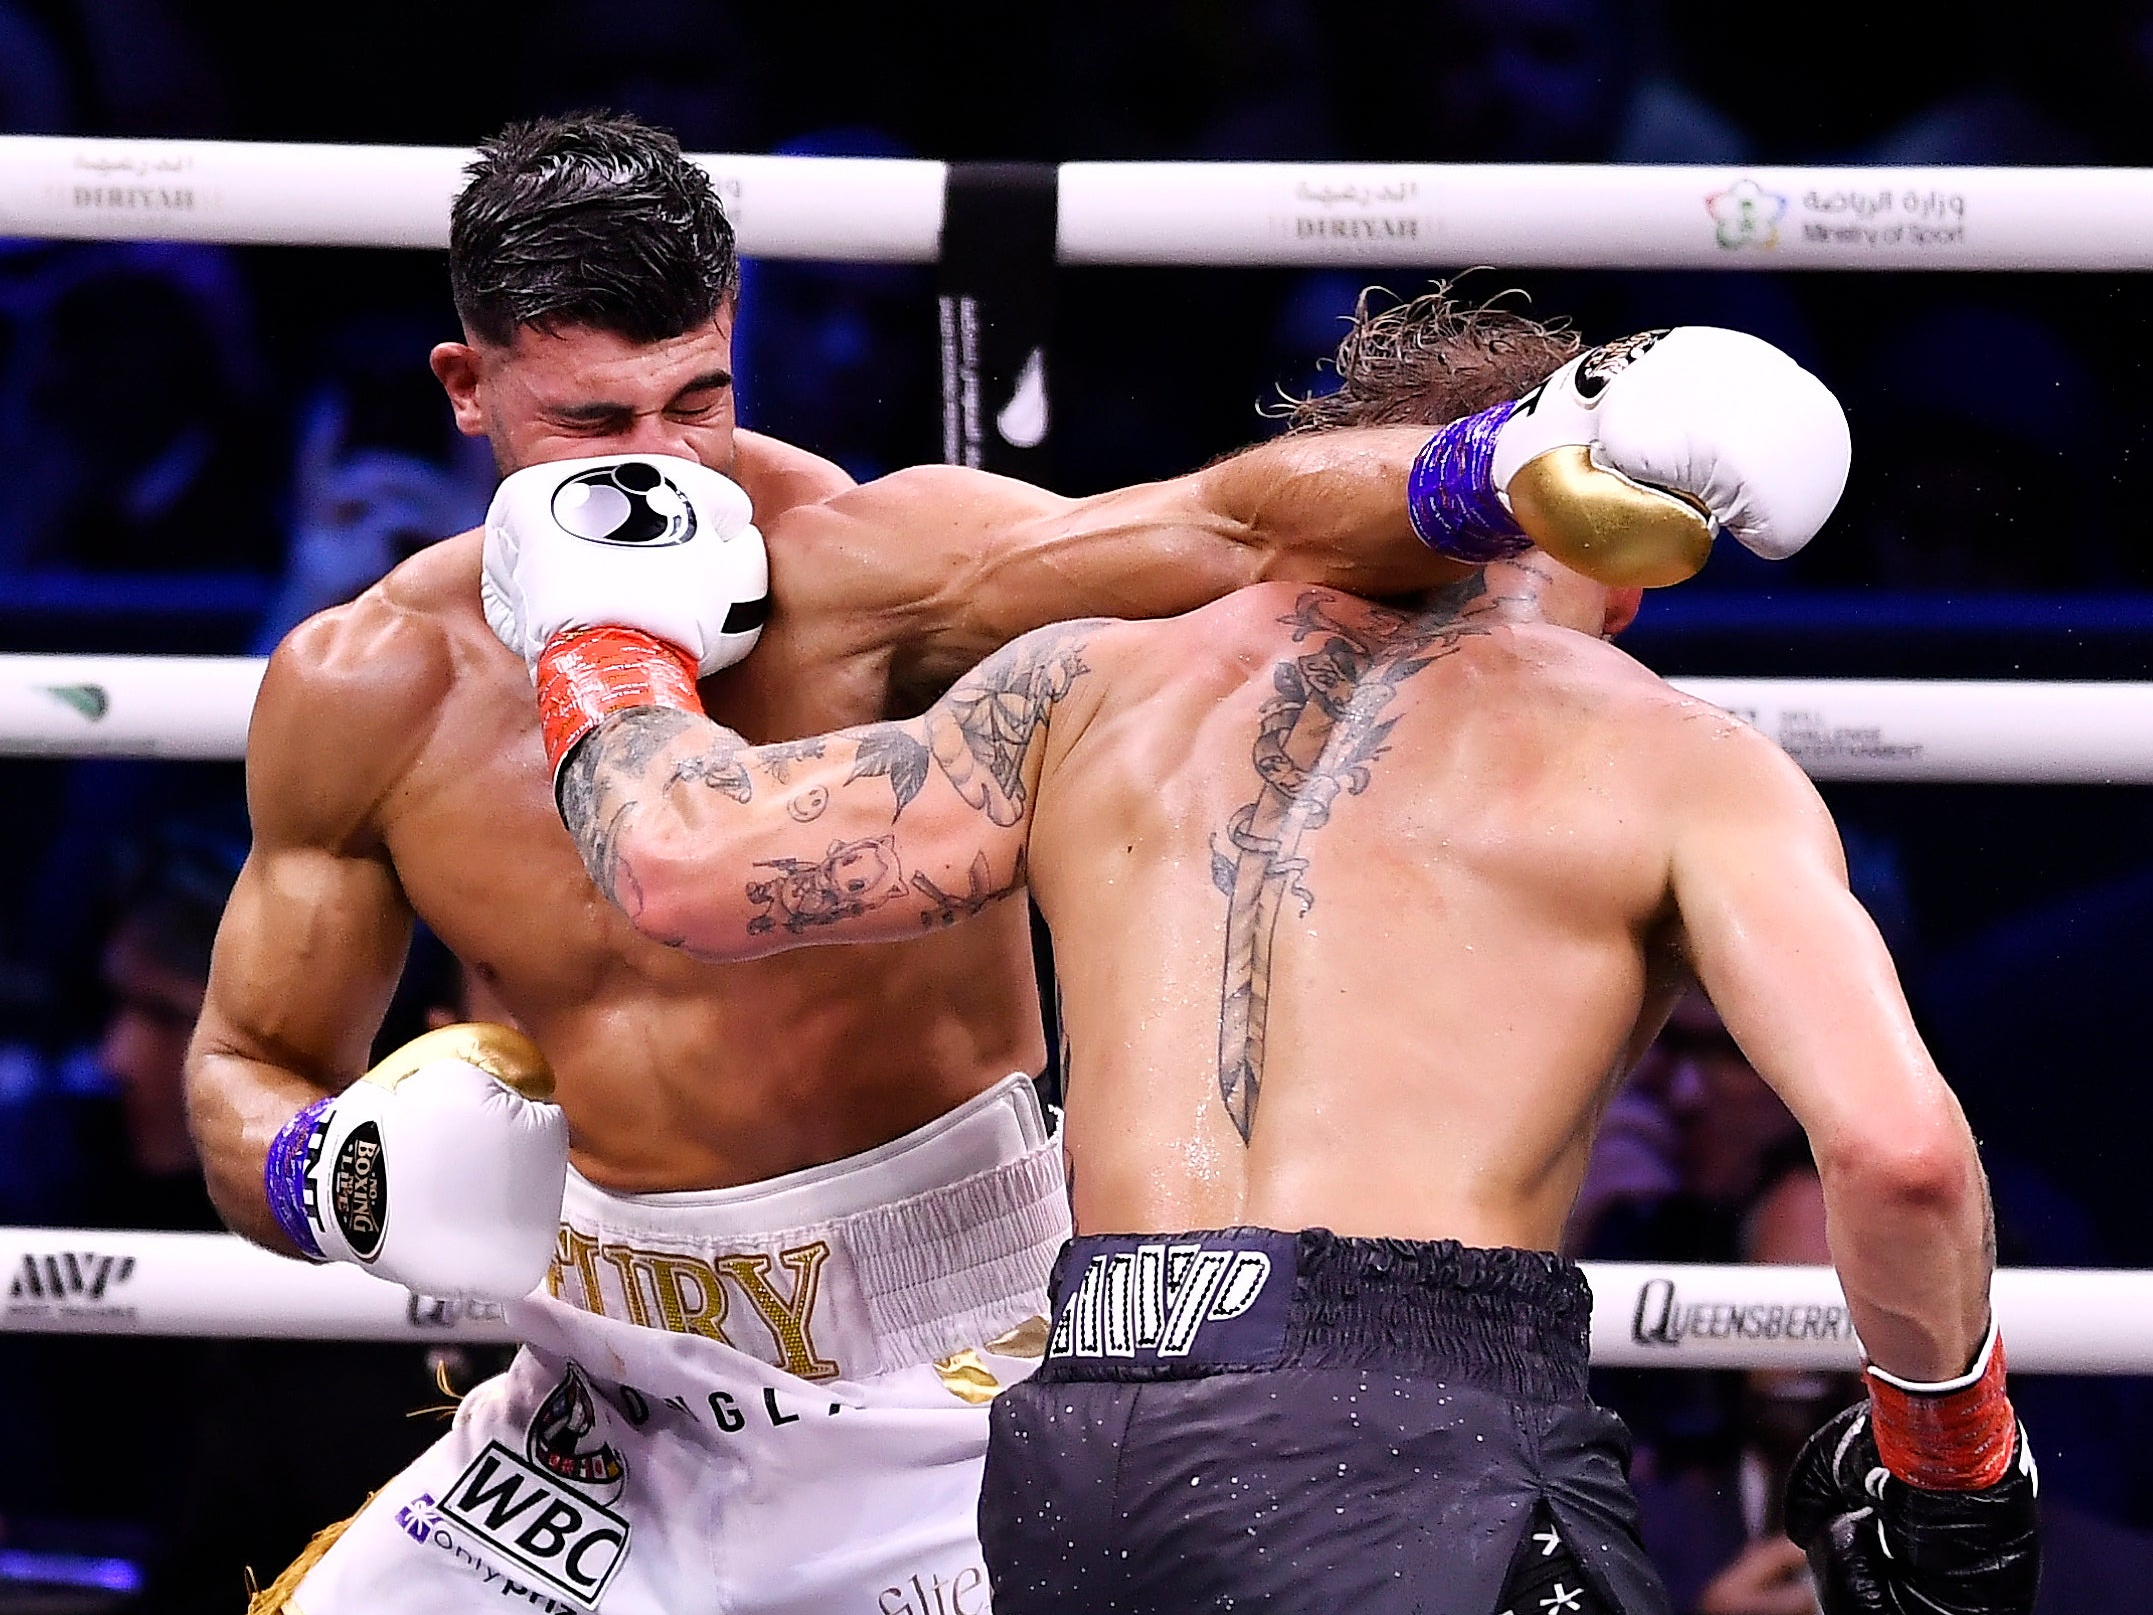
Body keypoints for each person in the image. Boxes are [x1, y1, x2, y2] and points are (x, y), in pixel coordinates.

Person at [188, 111, 1825, 1615]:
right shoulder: (367, 688)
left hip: (952, 1370)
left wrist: (1512, 460)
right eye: (590, 421)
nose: (659, 468)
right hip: (596, 1405)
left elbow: (1243, 524)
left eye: (698, 402)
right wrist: (318, 1176)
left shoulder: (877, 573)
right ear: (465, 390)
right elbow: (245, 1064)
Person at [508, 303, 2036, 1614]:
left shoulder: (1079, 690)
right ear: (1625, 570)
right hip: (1411, 1431)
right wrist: (1952, 1474)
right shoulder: (1667, 756)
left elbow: (678, 859)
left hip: (1081, 1441)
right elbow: (1901, 1159)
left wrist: (600, 642)